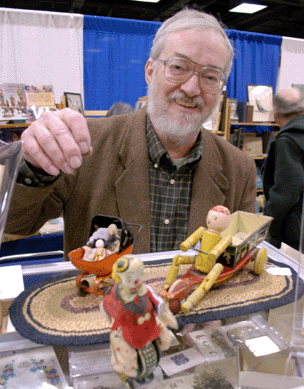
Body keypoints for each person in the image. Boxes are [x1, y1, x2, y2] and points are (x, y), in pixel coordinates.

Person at [5, 8, 257, 261]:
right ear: (150, 71)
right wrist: (32, 166)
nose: (192, 88)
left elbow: (240, 259)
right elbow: (15, 225)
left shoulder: (239, 168)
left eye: (210, 76)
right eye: (178, 67)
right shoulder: (86, 145)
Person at [262, 86, 304, 250]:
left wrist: (267, 224)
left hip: (294, 234)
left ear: (276, 113)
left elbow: (286, 193)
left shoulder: (288, 141)